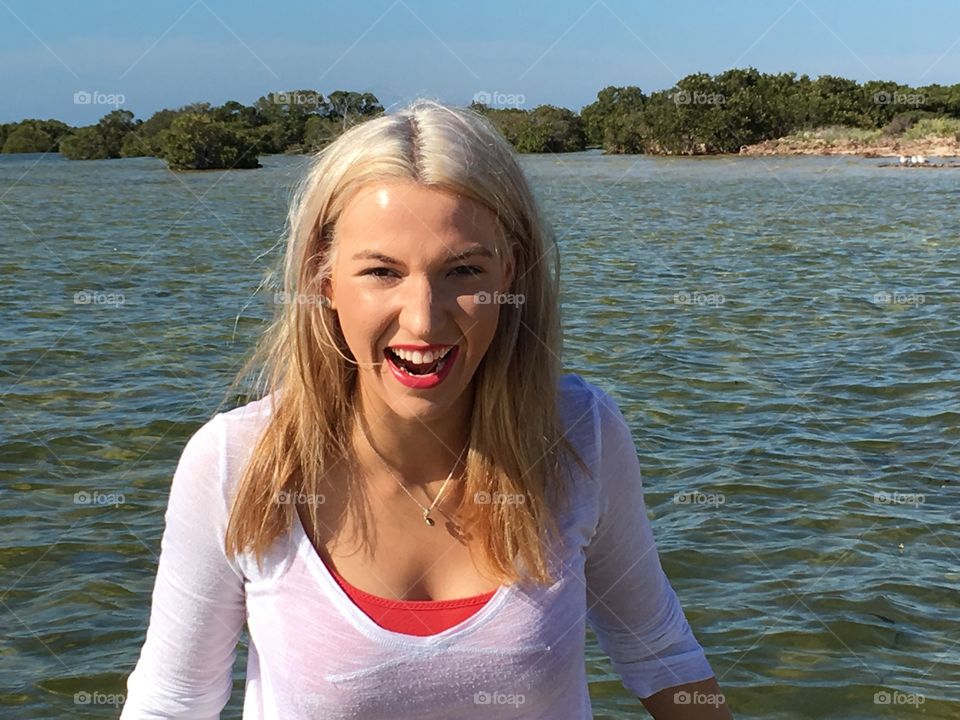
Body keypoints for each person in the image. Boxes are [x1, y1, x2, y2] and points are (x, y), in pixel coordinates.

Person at [120, 99, 732, 719]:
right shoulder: (236, 462)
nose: (423, 318)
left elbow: (660, 654)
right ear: (323, 278)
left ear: (510, 274)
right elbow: (171, 704)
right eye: (382, 271)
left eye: (463, 271)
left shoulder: (577, 434)